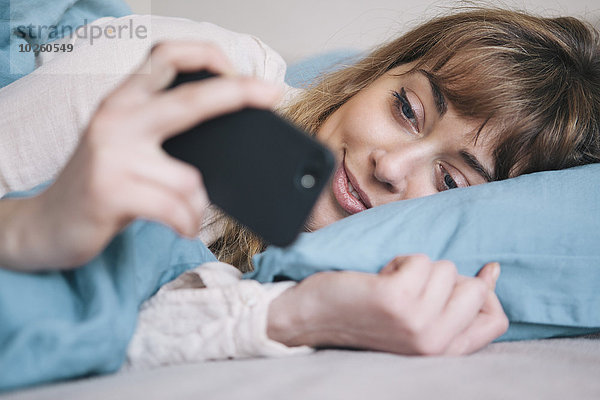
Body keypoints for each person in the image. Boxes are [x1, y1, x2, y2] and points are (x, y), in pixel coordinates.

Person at [0, 7, 598, 370]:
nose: (390, 164)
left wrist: (299, 316)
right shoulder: (197, 80)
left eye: (448, 180)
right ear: (374, 76)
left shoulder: (287, 267)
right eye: (406, 107)